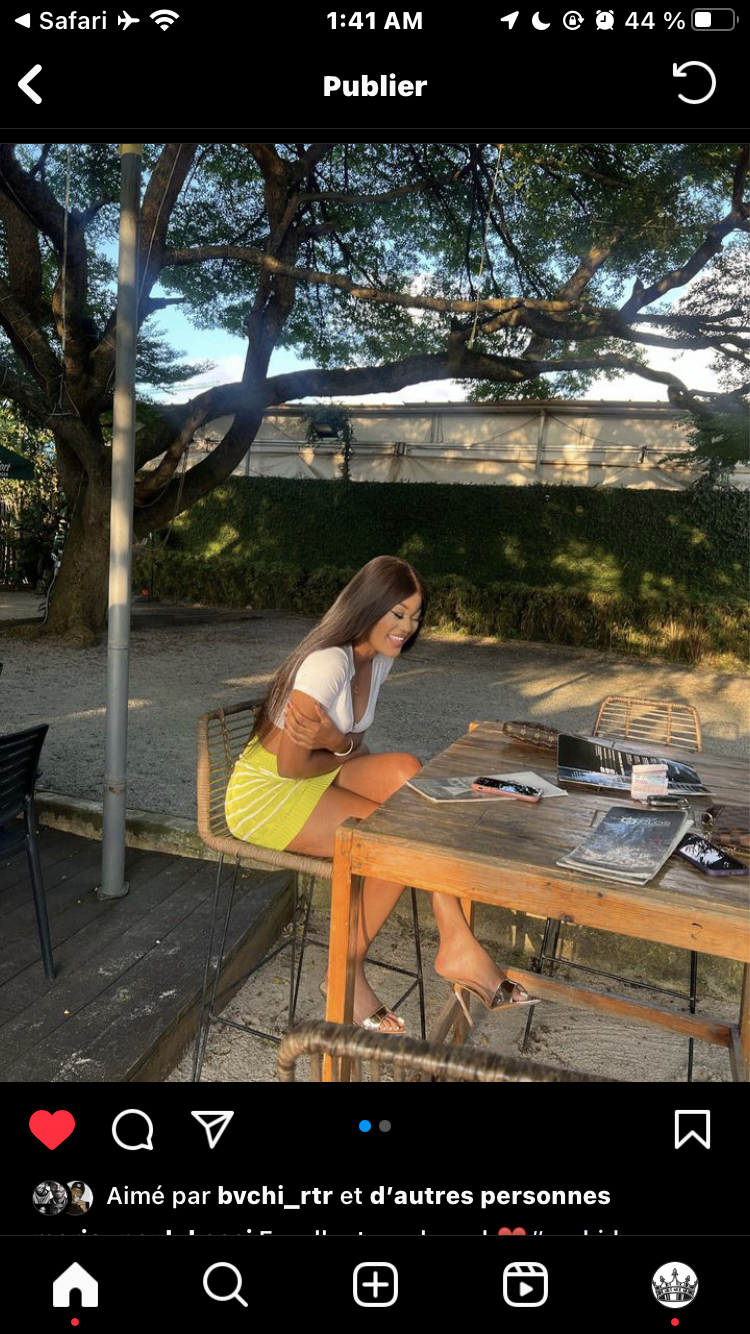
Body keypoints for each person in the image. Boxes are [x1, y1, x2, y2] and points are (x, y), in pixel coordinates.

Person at [226, 555, 536, 1033]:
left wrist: (339, 743)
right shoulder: (326, 664)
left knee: (407, 771)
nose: (407, 627)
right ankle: (347, 971)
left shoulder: (378, 661)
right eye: (398, 613)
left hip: (315, 776)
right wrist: (338, 745)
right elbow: (290, 766)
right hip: (267, 795)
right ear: (368, 606)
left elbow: (354, 745)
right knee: (393, 838)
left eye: (415, 616)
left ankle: (455, 939)